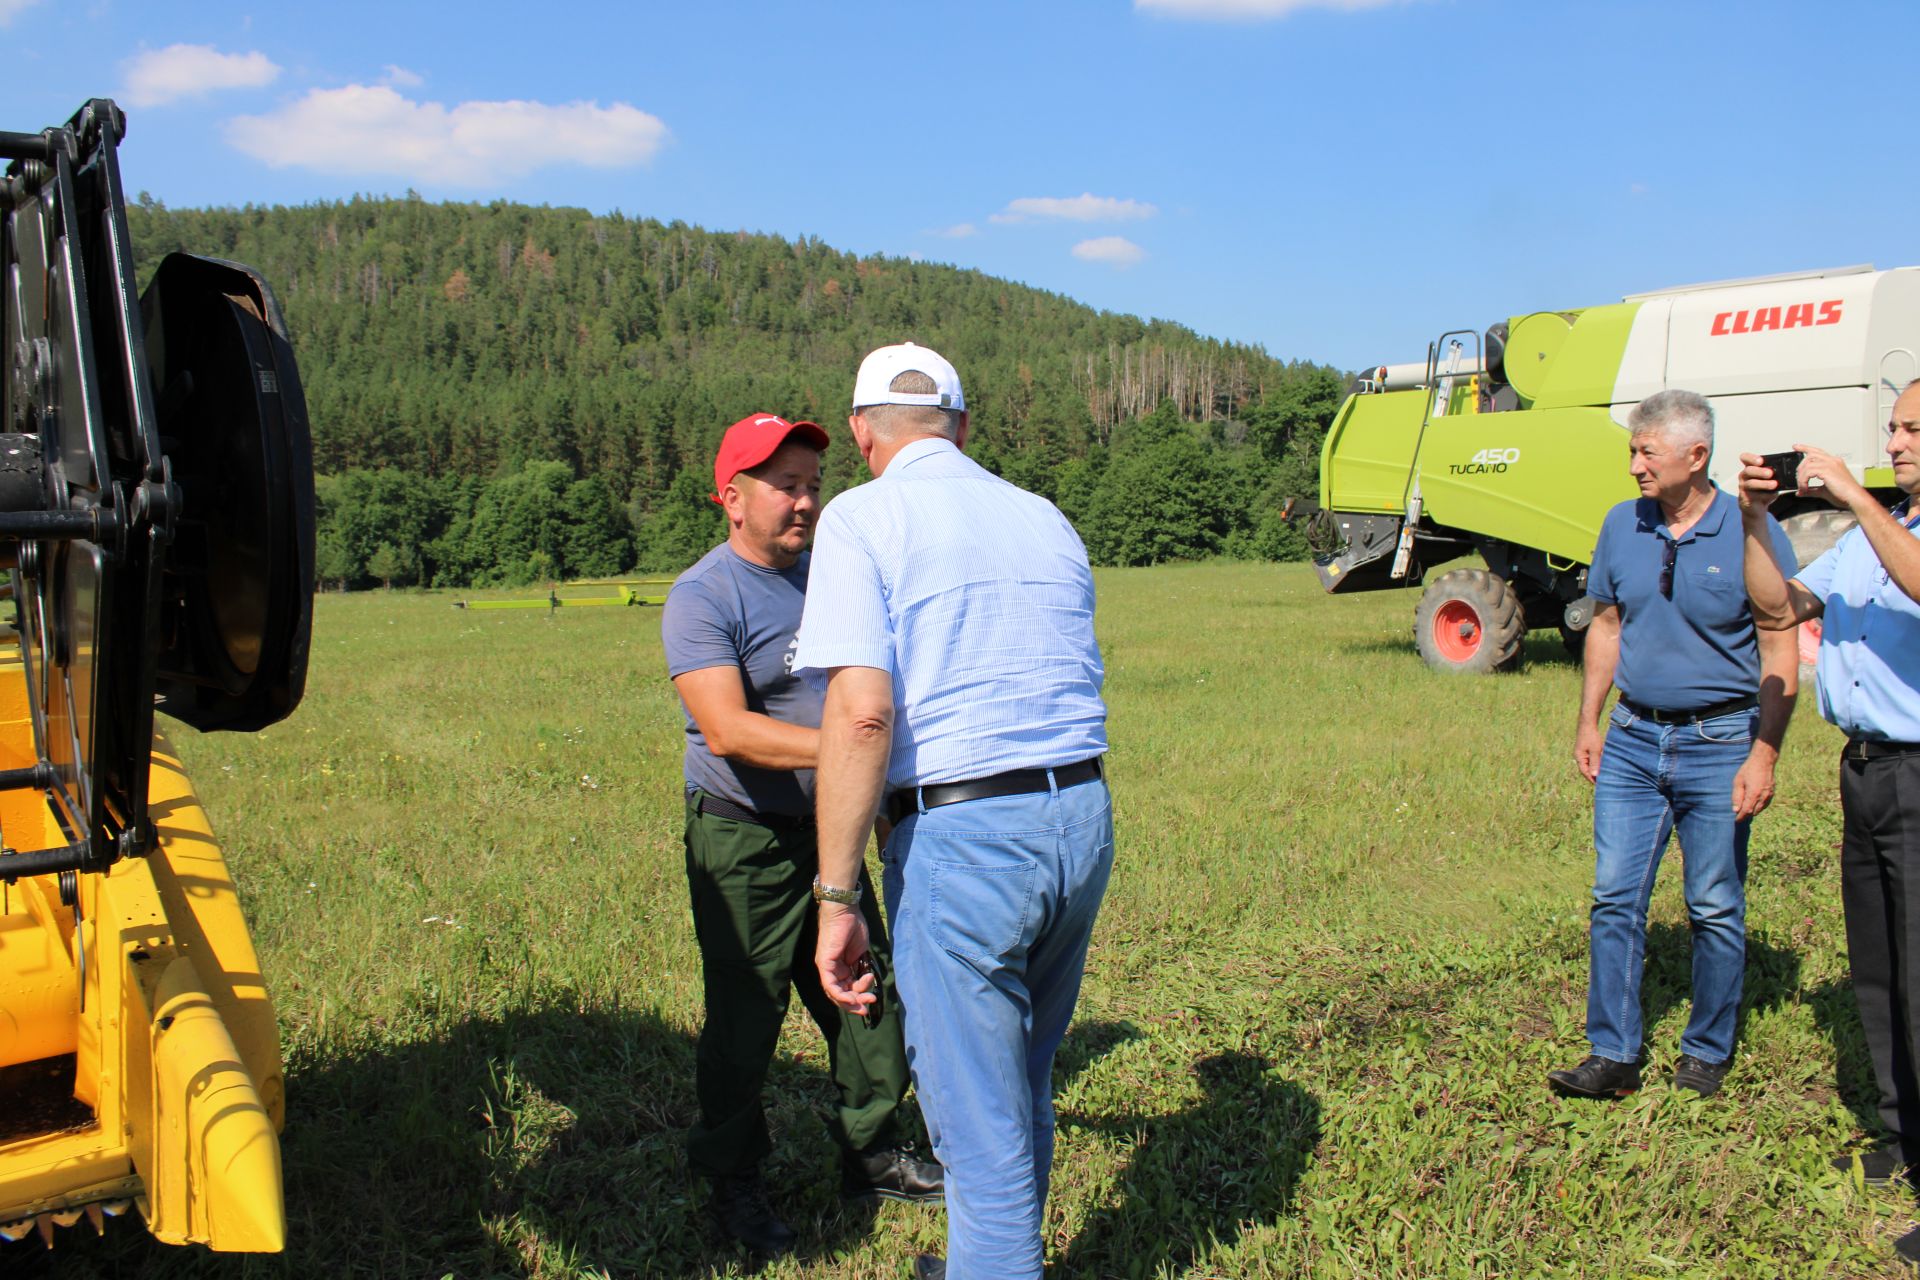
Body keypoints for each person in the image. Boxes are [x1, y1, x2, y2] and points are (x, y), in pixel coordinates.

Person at [795, 343, 1113, 1280]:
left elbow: (860, 714)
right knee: (1021, 1081)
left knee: (975, 1129)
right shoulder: (1043, 516)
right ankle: (989, 1255)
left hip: (965, 839)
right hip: (1080, 816)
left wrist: (837, 896)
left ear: (860, 436)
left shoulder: (860, 519)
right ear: (964, 428)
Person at [661, 412, 941, 1258]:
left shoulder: (835, 579)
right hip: (742, 838)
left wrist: (868, 783)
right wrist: (861, 746)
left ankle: (875, 1152)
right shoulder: (703, 596)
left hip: (831, 827)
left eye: (814, 484)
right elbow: (730, 731)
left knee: (864, 995)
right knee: (746, 1017)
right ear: (731, 498)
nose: (805, 502)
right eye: (784, 484)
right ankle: (734, 1181)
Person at [1549, 389, 1798, 1100]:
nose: (1633, 466)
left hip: (1721, 740)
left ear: (1697, 455)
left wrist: (1765, 750)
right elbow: (1607, 624)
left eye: (1645, 451)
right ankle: (1613, 1054)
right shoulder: (1622, 524)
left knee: (1714, 902)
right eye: (1631, 450)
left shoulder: (1748, 529)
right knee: (1613, 896)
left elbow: (1780, 642)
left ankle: (1706, 1052)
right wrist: (1590, 719)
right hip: (1632, 738)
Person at [1738, 377, 1920, 1265]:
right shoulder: (1865, 540)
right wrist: (1751, 519)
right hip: (1865, 772)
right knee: (1881, 970)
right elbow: (1777, 606)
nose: (1901, 439)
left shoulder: (1883, 529)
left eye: (1916, 427)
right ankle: (1902, 1136)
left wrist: (1851, 490)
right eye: (1895, 426)